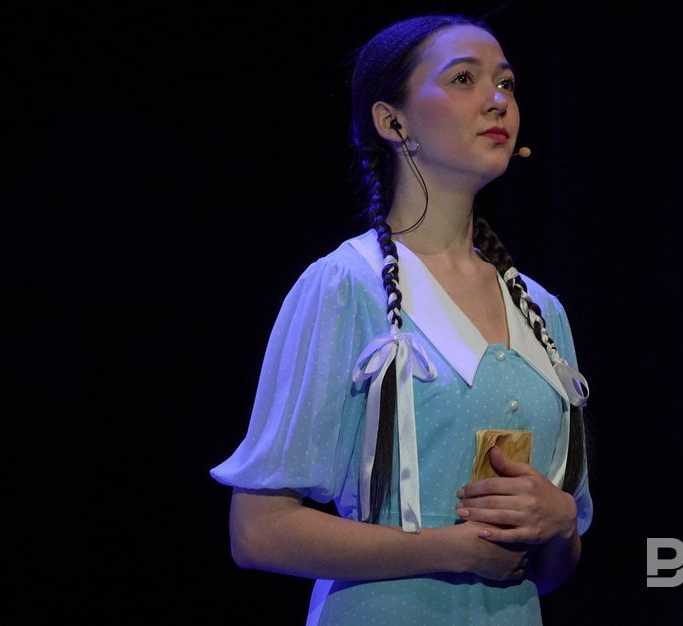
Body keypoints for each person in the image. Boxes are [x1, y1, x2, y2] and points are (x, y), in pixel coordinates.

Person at [210, 13, 593, 625]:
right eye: (464, 79)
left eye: (506, 83)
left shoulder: (542, 312)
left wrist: (559, 523)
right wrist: (448, 548)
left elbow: (549, 574)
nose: (497, 99)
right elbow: (258, 532)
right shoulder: (344, 286)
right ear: (393, 122)